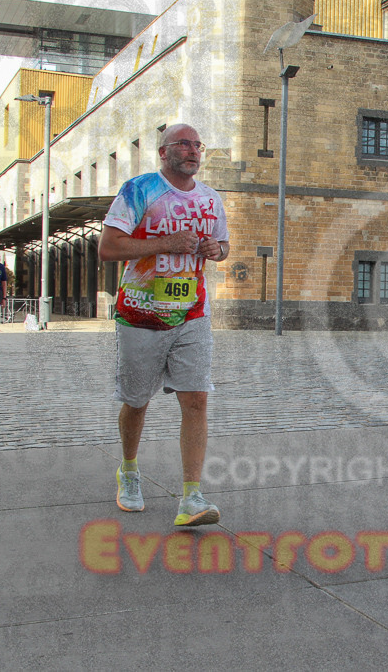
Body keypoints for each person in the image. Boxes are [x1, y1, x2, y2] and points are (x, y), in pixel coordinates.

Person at [98, 123, 230, 527]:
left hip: (192, 312)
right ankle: (130, 471)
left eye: (197, 145)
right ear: (163, 151)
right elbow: (108, 248)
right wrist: (164, 243)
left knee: (196, 399)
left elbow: (223, 247)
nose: (193, 151)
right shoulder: (138, 191)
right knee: (137, 401)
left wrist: (215, 249)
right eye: (184, 144)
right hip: (141, 313)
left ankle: (192, 497)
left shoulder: (210, 199)